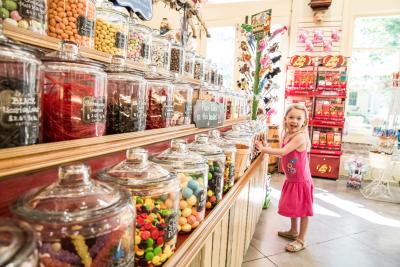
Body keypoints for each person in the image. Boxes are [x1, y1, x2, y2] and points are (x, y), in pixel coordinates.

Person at [255, 103, 314, 252]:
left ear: (304, 121)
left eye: (298, 118)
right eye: (291, 117)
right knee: (294, 206)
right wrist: (267, 145)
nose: (294, 121)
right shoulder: (286, 134)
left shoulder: (300, 137)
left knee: (303, 210)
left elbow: (283, 152)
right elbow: (282, 149)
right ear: (285, 118)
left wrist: (263, 149)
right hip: (292, 179)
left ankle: (301, 239)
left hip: (301, 180)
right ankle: (293, 231)